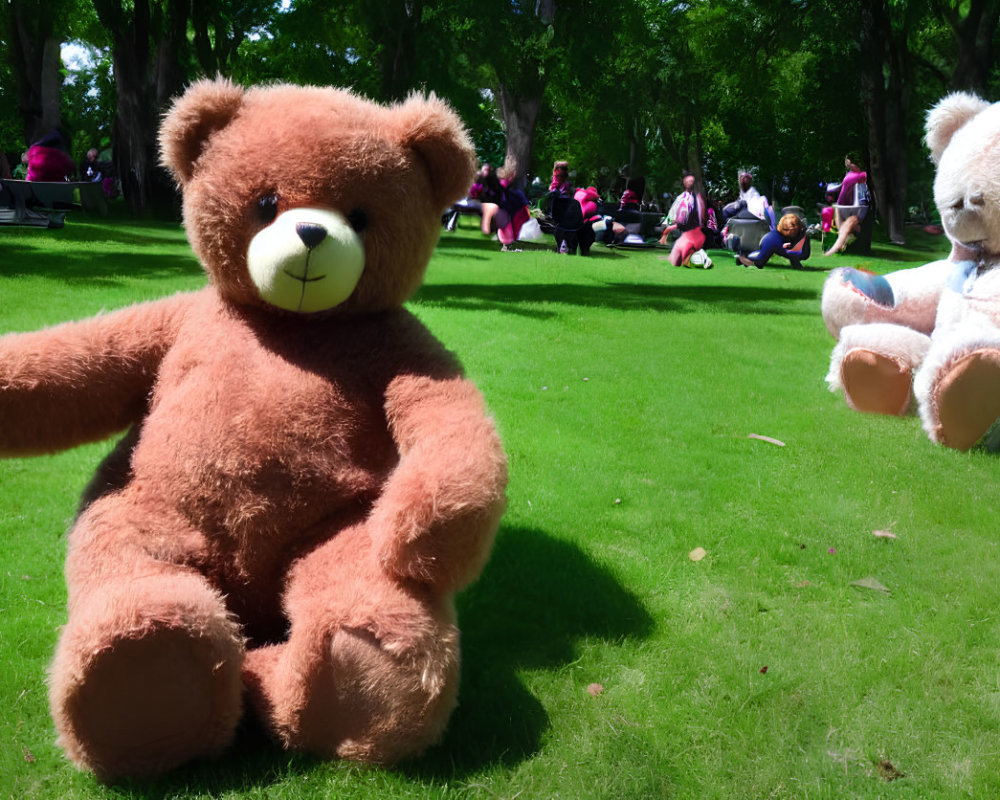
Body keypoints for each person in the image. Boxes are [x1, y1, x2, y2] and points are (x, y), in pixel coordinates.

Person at [470, 163, 532, 251]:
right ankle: (506, 244)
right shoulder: (487, 183)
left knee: (508, 223)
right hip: (500, 206)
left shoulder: (501, 185)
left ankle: (506, 244)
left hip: (506, 206)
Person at [658, 171, 711, 267]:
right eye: (688, 181)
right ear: (684, 183)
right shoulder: (680, 198)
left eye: (692, 181)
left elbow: (702, 215)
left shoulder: (698, 199)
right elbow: (673, 212)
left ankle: (695, 257)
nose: (690, 183)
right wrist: (668, 223)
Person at [824, 155, 871, 256]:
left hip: (857, 209)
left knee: (851, 220)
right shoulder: (849, 174)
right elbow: (842, 187)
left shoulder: (863, 175)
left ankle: (833, 250)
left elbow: (864, 190)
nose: (845, 162)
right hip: (843, 206)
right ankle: (843, 241)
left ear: (850, 161)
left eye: (846, 160)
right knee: (838, 211)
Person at [737, 212, 811, 269]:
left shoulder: (795, 235)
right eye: (795, 229)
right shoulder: (773, 240)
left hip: (780, 241)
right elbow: (789, 252)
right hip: (770, 242)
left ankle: (746, 255)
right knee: (759, 262)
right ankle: (743, 257)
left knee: (799, 253)